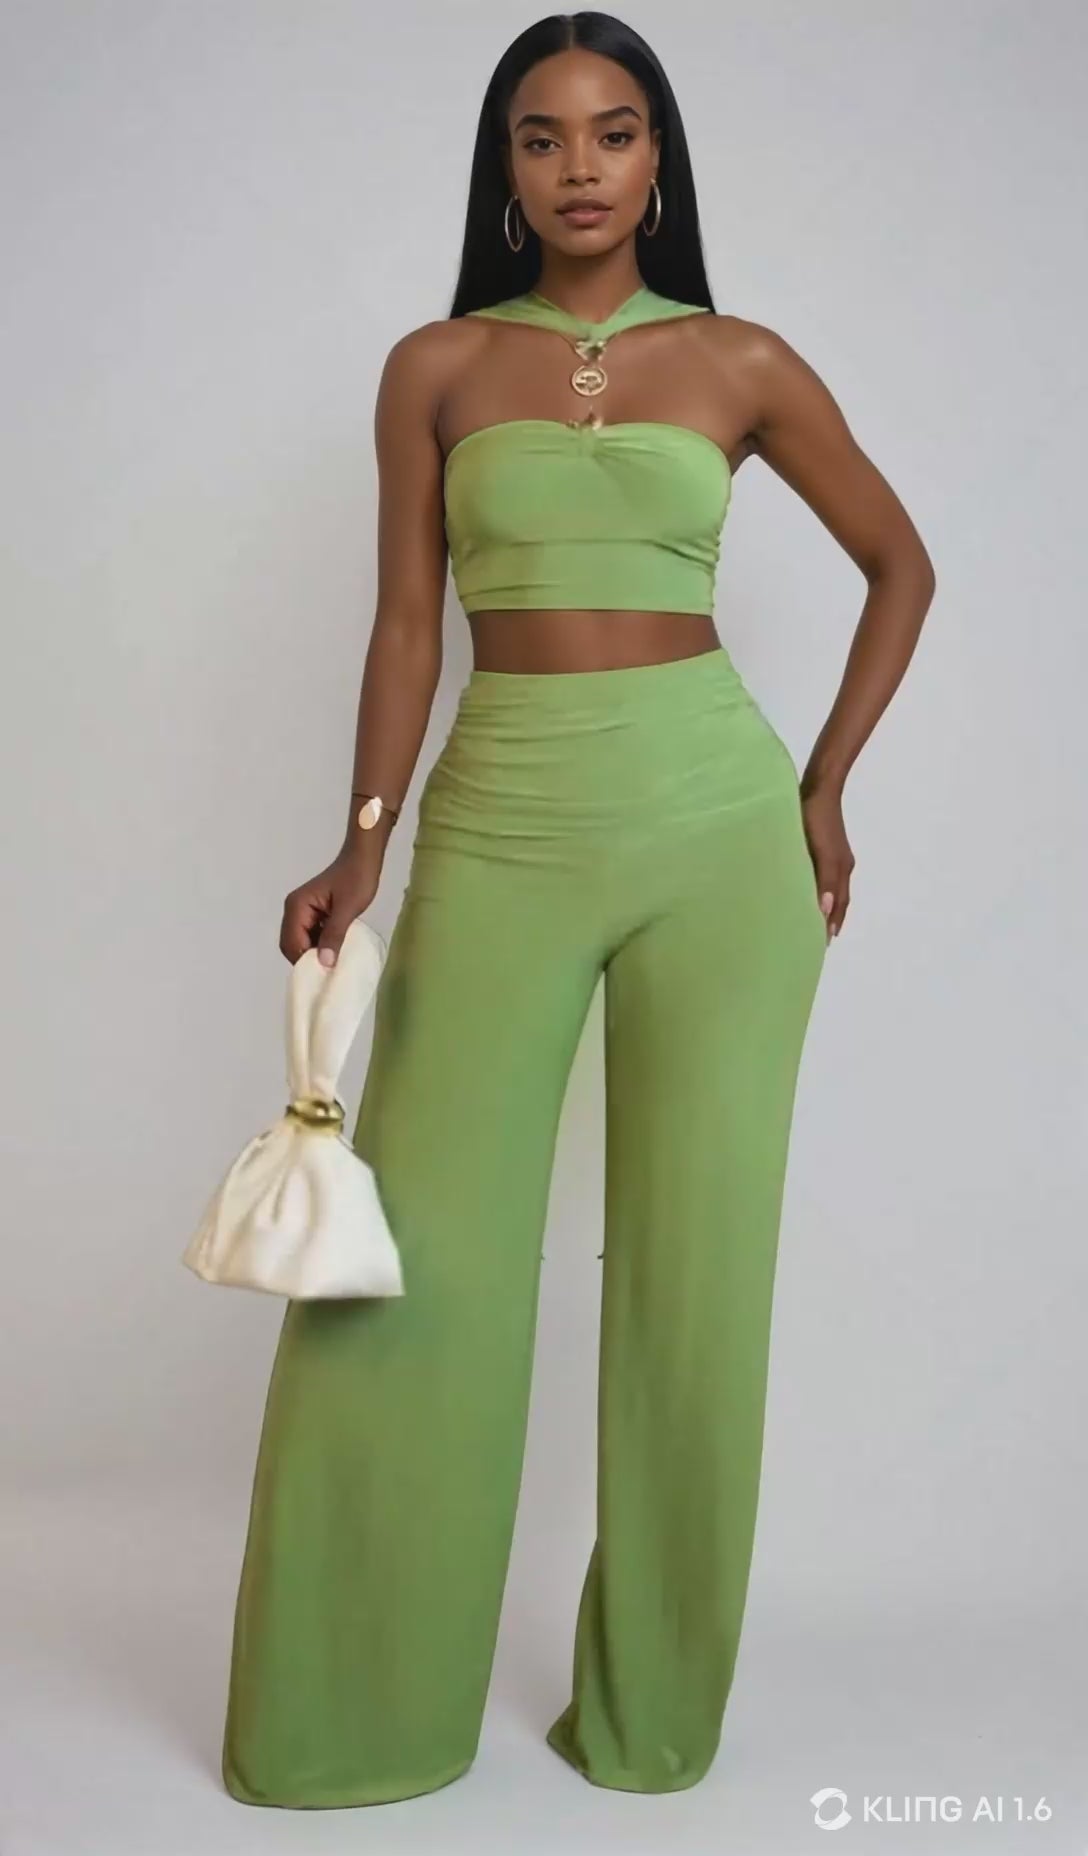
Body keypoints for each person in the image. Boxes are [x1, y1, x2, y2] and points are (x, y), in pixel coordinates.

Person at [219, 11, 935, 1810]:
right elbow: (408, 623)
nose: (581, 167)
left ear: (660, 159)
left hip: (716, 829)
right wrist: (362, 843)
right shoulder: (439, 366)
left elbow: (900, 564)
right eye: (541, 138)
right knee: (421, 1268)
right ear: (506, 171)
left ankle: (650, 1721)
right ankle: (354, 1720)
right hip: (501, 817)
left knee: (700, 1275)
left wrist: (824, 786)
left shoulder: (742, 359)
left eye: (614, 132)